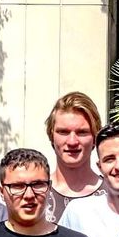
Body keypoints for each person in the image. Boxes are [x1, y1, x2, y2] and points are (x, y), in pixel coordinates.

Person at [45, 93, 105, 225]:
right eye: (63, 132)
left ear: (95, 138)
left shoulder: (113, 195)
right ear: (51, 136)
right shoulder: (35, 194)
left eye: (82, 132)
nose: (72, 141)